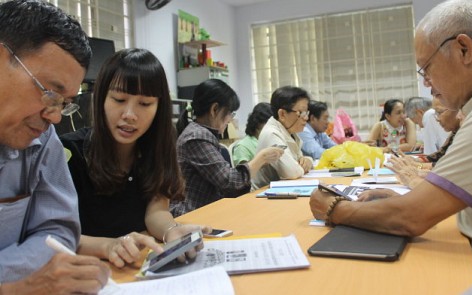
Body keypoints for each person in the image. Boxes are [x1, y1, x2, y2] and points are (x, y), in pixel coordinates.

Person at [309, 0, 472, 293]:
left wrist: (334, 208)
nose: (427, 85)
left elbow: (410, 217)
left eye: (426, 69)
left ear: (464, 49)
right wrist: (419, 195)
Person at [60, 48, 210, 268]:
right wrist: (109, 246)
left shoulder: (155, 148)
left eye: (145, 104)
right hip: (85, 271)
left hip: (135, 268)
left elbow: (156, 211)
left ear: (159, 106)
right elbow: (55, 234)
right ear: (101, 98)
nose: (129, 114)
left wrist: (171, 231)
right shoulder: (69, 152)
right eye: (119, 99)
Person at [0, 0, 109, 293]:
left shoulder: (41, 137)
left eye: (64, 103)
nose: (55, 116)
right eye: (50, 93)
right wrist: (19, 286)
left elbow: (58, 232)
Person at [172, 79, 284, 217]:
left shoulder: (202, 133)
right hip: (193, 214)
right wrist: (261, 158)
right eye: (230, 113)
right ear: (214, 109)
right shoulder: (197, 137)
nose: (231, 119)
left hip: (208, 210)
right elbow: (229, 181)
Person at [252, 86, 314, 190]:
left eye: (306, 112)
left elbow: (301, 162)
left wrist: (308, 160)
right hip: (262, 195)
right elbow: (292, 172)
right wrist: (303, 165)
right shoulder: (271, 133)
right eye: (301, 113)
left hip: (281, 191)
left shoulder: (290, 132)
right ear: (282, 114)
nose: (306, 118)